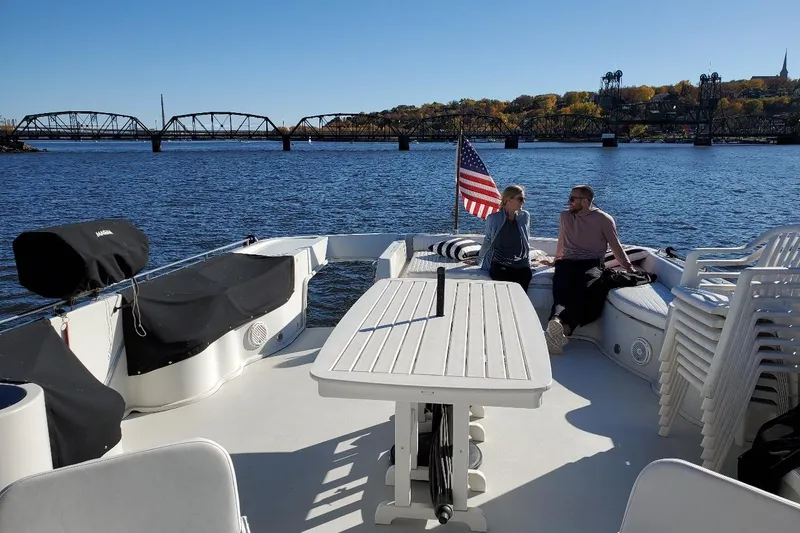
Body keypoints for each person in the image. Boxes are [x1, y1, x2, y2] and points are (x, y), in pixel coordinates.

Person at [544, 185, 634, 355]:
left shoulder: (603, 219)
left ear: (585, 201)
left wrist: (628, 268)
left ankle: (558, 326)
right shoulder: (565, 216)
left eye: (572, 199)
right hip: (566, 262)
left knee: (584, 291)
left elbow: (615, 246)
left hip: (590, 263)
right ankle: (560, 326)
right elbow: (561, 241)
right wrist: (555, 261)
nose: (568, 202)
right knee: (561, 292)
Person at [475, 185, 533, 292]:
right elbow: (487, 241)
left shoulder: (525, 216)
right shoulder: (494, 218)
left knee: (525, 279)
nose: (523, 202)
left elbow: (526, 240)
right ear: (508, 200)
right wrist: (478, 260)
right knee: (504, 284)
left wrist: (529, 261)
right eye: (520, 199)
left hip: (521, 264)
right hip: (500, 263)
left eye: (524, 199)